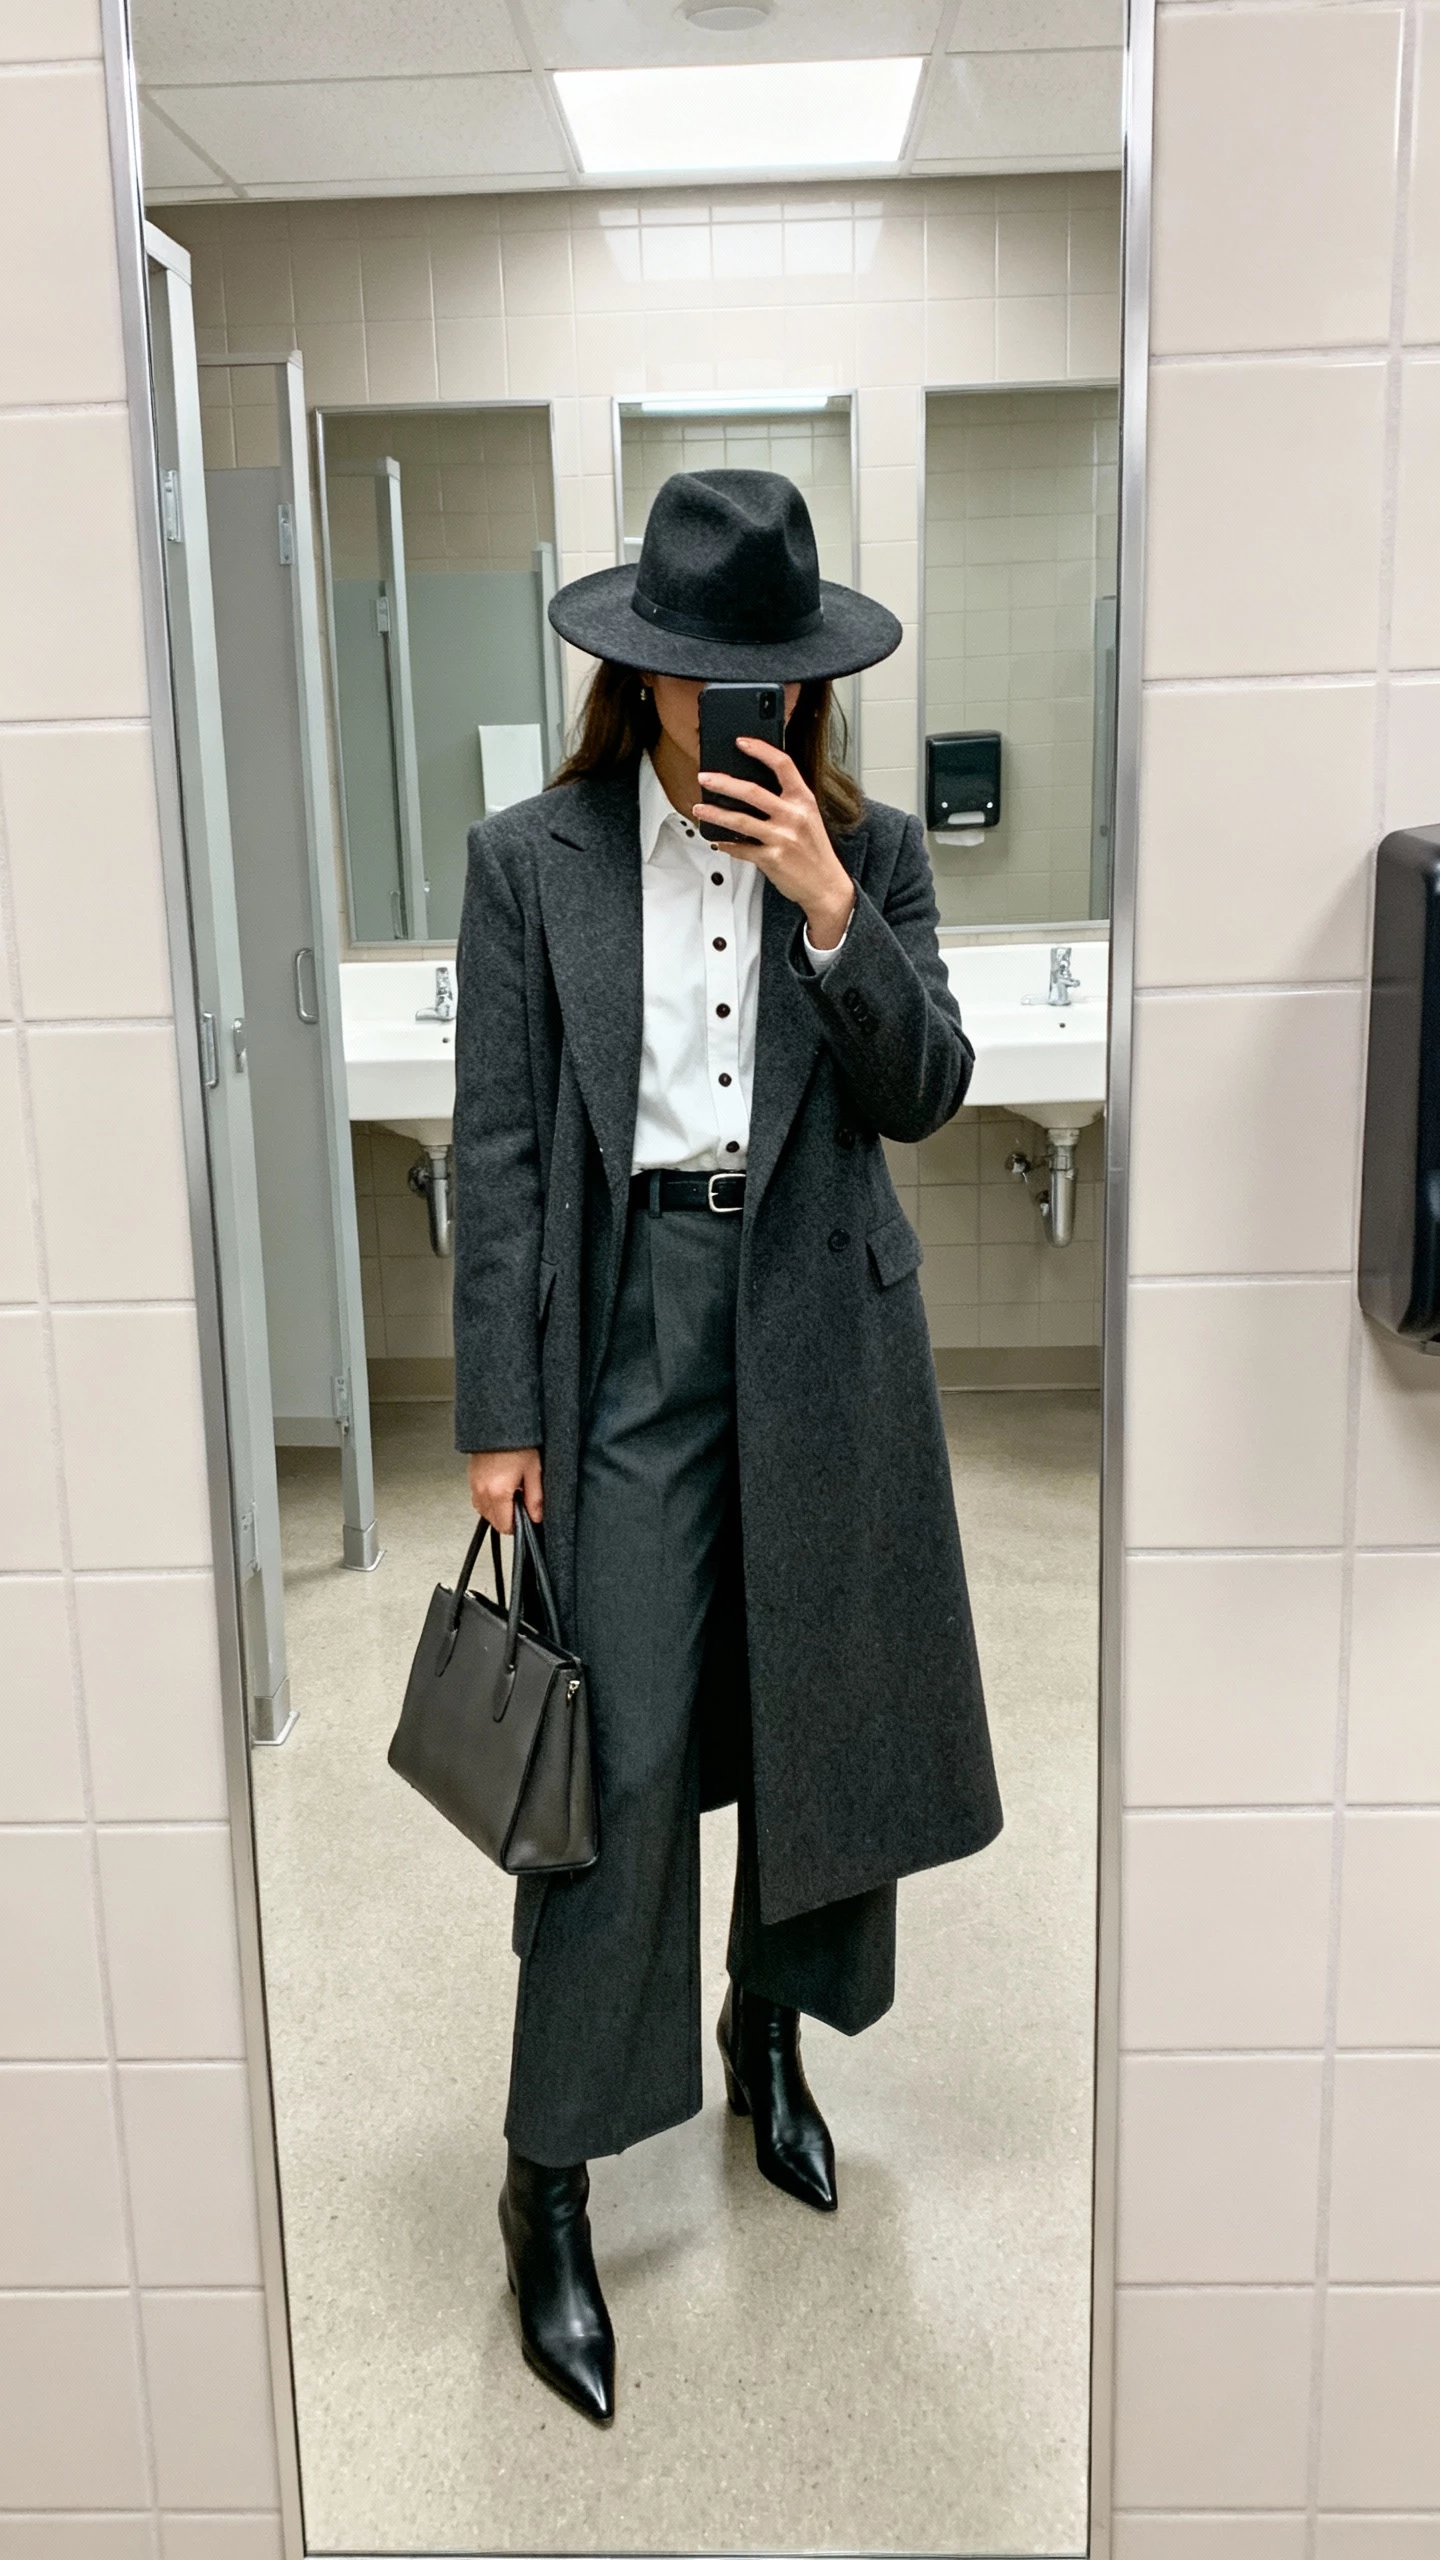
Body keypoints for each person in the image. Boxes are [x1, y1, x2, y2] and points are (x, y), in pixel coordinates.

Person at [452, 469, 1001, 2425]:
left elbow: (928, 1089)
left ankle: (772, 2035)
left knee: (813, 1710)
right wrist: (499, 1416)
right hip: (624, 1342)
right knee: (623, 1746)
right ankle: (553, 2173)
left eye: (768, 679)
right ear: (643, 674)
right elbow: (504, 1150)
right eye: (701, 678)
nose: (734, 712)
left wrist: (835, 912)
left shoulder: (860, 850)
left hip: (819, 1331)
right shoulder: (532, 861)